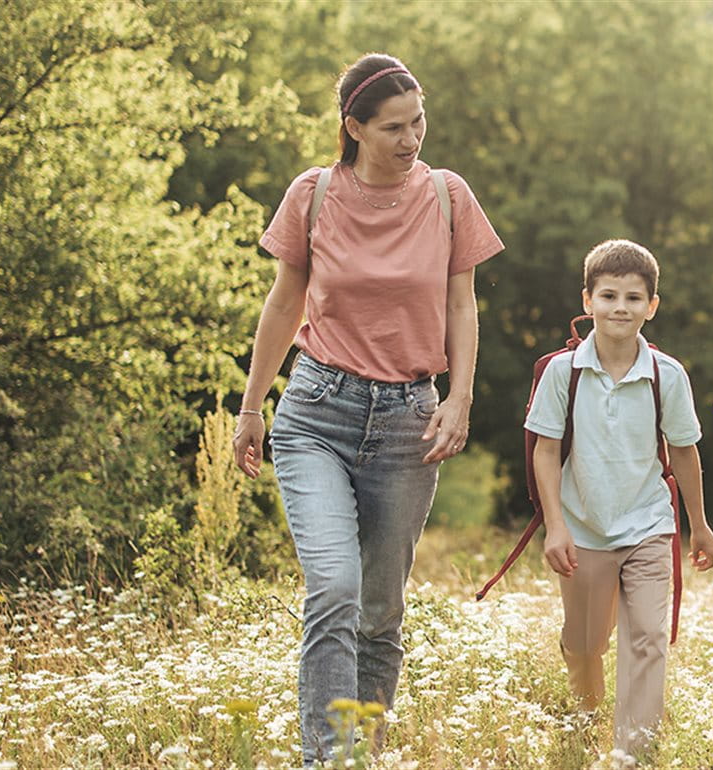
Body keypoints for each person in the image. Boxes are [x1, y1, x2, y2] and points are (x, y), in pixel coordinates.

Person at [230, 53, 505, 764]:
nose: (411, 138)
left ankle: (365, 750)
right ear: (353, 126)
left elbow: (460, 305)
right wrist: (251, 406)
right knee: (334, 588)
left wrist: (460, 400)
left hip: (409, 420)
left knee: (381, 614)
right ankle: (329, 757)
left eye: (418, 122)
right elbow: (284, 301)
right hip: (317, 410)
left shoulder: (447, 195)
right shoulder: (314, 193)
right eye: (392, 128)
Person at [525, 239, 713, 759]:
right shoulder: (561, 373)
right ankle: (585, 716)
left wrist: (697, 524)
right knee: (586, 643)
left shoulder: (667, 375)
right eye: (608, 296)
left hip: (649, 524)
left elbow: (684, 454)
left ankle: (634, 751)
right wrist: (556, 527)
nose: (620, 308)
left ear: (651, 306)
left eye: (634, 298)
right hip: (583, 529)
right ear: (587, 300)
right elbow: (546, 453)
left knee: (648, 638)